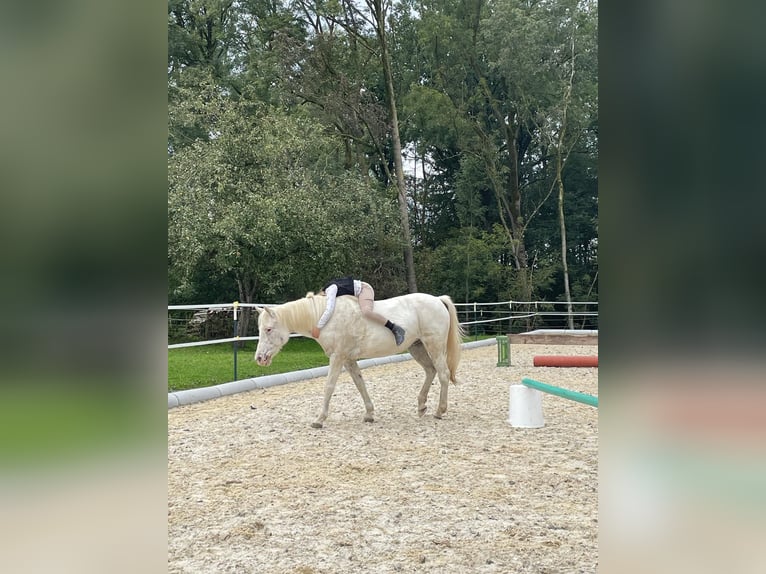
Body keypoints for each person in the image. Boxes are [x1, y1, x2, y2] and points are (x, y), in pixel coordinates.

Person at [310, 276, 406, 345]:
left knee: (366, 312)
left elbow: (329, 309)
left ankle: (394, 328)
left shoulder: (330, 290)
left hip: (364, 290)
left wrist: (318, 327)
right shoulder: (329, 289)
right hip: (357, 294)